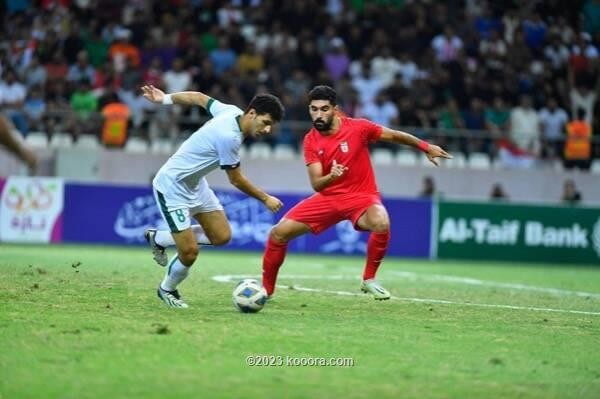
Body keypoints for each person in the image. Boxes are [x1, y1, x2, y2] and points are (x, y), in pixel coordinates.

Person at [261, 86, 451, 300]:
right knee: (278, 233)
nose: (319, 114)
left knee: (381, 222)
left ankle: (369, 279)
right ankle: (266, 290)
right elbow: (317, 184)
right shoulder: (310, 140)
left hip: (362, 196)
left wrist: (425, 147)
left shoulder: (359, 128)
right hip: (328, 198)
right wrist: (331, 176)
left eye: (324, 109)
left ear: (335, 109)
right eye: (314, 109)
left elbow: (395, 135)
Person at [141, 84, 285, 308]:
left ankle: (159, 238)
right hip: (171, 187)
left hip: (196, 185)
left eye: (271, 126)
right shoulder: (230, 138)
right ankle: (167, 289)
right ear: (252, 113)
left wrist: (165, 99)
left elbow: (199, 97)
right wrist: (265, 198)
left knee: (221, 236)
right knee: (189, 253)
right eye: (265, 123)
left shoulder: (230, 111)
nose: (267, 130)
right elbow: (235, 179)